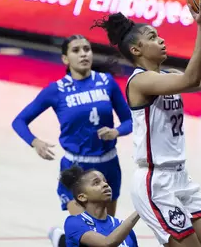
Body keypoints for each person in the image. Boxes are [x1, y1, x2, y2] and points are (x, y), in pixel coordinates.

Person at [91, 0, 201, 247]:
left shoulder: (169, 75)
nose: (160, 39)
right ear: (136, 50)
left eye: (158, 35)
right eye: (151, 37)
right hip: (155, 181)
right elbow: (191, 79)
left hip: (181, 177)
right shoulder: (140, 81)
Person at [11, 35, 133, 245]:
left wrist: (116, 132)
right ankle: (63, 239)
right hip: (76, 169)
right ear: (65, 59)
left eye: (87, 49)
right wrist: (35, 142)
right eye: (76, 50)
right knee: (84, 232)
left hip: (108, 166)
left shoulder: (107, 83)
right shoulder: (56, 90)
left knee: (105, 235)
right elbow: (19, 121)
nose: (84, 53)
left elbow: (130, 121)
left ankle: (60, 240)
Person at [49, 164, 139, 247]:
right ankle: (59, 238)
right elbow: (107, 243)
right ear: (82, 197)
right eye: (96, 183)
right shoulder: (73, 223)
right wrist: (140, 209)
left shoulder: (123, 228)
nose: (105, 184)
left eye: (105, 181)